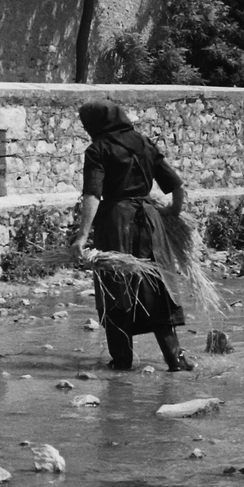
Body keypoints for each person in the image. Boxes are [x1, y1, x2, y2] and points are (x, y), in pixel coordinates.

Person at [69, 100, 195, 371]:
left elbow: (93, 194)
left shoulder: (98, 149)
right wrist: (173, 210)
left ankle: (122, 360)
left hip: (116, 222)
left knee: (116, 286)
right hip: (150, 221)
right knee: (158, 284)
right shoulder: (143, 143)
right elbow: (175, 183)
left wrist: (82, 236)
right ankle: (175, 357)